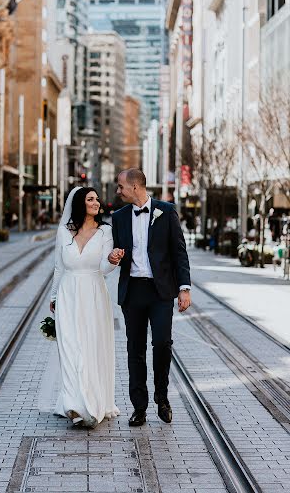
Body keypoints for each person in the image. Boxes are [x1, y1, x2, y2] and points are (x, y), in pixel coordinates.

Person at [108, 169, 191, 427]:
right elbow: (114, 251)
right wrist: (114, 257)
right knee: (135, 349)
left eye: (121, 186)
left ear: (135, 187)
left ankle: (162, 396)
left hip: (161, 292)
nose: (117, 191)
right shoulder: (119, 217)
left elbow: (179, 251)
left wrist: (184, 288)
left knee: (163, 343)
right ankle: (139, 408)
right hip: (133, 291)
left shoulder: (165, 211)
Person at [50, 186, 120, 428]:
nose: (96, 202)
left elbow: (105, 267)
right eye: (90, 199)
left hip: (94, 294)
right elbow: (58, 267)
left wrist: (112, 260)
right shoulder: (63, 232)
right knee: (69, 348)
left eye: (97, 199)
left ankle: (91, 403)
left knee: (90, 347)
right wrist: (53, 297)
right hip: (68, 294)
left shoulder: (105, 231)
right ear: (80, 203)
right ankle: (73, 403)